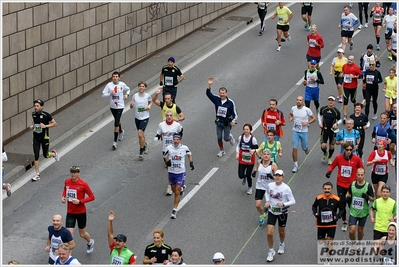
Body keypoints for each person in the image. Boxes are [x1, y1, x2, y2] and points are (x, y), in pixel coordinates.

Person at [326, 142, 364, 232]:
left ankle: (354, 219)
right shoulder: (339, 157)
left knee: (352, 203)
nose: (349, 151)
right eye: (347, 150)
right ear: (344, 149)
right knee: (342, 203)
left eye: (351, 150)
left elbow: (361, 168)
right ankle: (344, 221)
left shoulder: (356, 158)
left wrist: (360, 179)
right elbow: (332, 166)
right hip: (341, 184)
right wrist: (329, 171)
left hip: (352, 185)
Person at [61, 166, 95, 254]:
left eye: (75, 172)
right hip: (70, 212)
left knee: (82, 234)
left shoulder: (83, 184)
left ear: (78, 174)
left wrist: (80, 201)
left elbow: (92, 197)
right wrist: (63, 197)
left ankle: (90, 242)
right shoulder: (67, 182)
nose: (73, 174)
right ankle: (68, 259)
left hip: (81, 212)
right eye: (72, 172)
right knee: (69, 236)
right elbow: (65, 190)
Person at [265, 169, 296, 262]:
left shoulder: (286, 188)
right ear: (274, 177)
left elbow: (293, 201)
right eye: (276, 175)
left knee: (281, 231)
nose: (277, 177)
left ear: (283, 177)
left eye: (279, 176)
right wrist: (267, 201)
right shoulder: (270, 185)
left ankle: (282, 243)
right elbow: (267, 193)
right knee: (269, 232)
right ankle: (270, 251)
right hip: (272, 211)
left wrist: (284, 204)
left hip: (282, 212)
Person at [312, 181, 344, 261]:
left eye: (329, 189)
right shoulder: (319, 198)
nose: (327, 190)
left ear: (332, 189)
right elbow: (314, 206)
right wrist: (315, 213)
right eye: (325, 189)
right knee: (320, 242)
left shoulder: (337, 199)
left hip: (332, 224)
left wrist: (338, 216)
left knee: (329, 241)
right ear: (323, 189)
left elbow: (342, 209)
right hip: (321, 224)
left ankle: (328, 258)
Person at [164, 134, 194, 219]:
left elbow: (189, 154)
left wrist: (191, 162)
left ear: (180, 140)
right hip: (171, 172)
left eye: (177, 139)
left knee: (176, 192)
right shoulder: (169, 148)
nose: (176, 141)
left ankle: (174, 210)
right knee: (174, 189)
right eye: (174, 139)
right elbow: (165, 156)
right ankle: (182, 188)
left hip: (180, 172)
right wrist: (167, 162)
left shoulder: (184, 148)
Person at [206, 77, 237, 157]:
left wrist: (233, 121)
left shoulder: (230, 103)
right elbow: (208, 94)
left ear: (226, 94)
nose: (222, 95)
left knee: (226, 138)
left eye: (223, 93)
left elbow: (234, 113)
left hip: (227, 123)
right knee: (219, 137)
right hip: (219, 122)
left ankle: (230, 137)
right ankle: (222, 150)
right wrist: (209, 85)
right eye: (220, 93)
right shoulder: (216, 99)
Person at [29, 99, 59, 181]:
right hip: (36, 137)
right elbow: (34, 122)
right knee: (36, 155)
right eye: (35, 106)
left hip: (44, 138)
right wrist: (32, 126)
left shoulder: (46, 115)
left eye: (37, 106)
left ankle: (53, 154)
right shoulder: (33, 114)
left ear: (41, 107)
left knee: (46, 155)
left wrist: (45, 126)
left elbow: (54, 123)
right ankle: (37, 174)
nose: (36, 107)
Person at [155, 110, 183, 196]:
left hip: (175, 150)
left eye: (171, 115)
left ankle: (171, 186)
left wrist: (178, 141)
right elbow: (158, 134)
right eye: (167, 115)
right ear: (165, 116)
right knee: (169, 168)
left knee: (175, 167)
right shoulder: (161, 125)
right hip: (165, 150)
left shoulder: (177, 125)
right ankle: (174, 184)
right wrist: (156, 138)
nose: (169, 117)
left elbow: (181, 131)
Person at [346, 168, 375, 248]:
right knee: (352, 230)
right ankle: (353, 244)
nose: (360, 176)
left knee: (360, 230)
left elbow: (373, 199)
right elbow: (348, 194)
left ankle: (359, 242)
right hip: (353, 211)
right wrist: (347, 198)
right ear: (356, 174)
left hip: (363, 212)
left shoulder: (368, 186)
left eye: (362, 175)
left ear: (364, 175)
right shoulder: (352, 184)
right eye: (358, 175)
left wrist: (367, 197)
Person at [101, 71, 130, 150]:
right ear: (112, 78)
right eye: (113, 76)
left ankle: (115, 142)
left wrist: (127, 95)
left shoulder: (122, 84)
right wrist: (110, 94)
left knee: (116, 122)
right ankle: (121, 131)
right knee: (117, 120)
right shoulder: (109, 85)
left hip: (120, 106)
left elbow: (128, 89)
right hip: (112, 106)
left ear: (119, 78)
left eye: (116, 76)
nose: (115, 78)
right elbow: (103, 95)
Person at [289, 96, 316, 173]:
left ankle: (305, 148)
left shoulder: (307, 110)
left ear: (303, 102)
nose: (298, 101)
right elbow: (290, 114)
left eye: (300, 100)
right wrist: (291, 118)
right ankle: (295, 165)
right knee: (295, 148)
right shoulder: (293, 108)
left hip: (304, 131)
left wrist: (307, 123)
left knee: (303, 147)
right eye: (297, 100)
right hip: (295, 131)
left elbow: (314, 118)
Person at [255, 149, 278, 226]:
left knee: (269, 205)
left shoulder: (273, 165)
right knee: (258, 205)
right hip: (259, 186)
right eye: (264, 154)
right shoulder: (259, 162)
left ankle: (271, 217)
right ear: (262, 155)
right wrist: (254, 172)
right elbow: (257, 167)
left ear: (270, 156)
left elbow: (278, 178)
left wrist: (271, 177)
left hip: (269, 188)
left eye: (268, 154)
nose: (266, 155)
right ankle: (263, 214)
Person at [130, 81, 152, 159]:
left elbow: (150, 102)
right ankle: (145, 144)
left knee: (140, 134)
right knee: (141, 134)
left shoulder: (147, 96)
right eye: (140, 86)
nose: (141, 88)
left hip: (145, 117)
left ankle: (141, 150)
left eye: (143, 86)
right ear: (138, 87)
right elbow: (131, 106)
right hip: (137, 117)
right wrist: (131, 105)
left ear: (145, 87)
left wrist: (149, 106)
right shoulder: (135, 96)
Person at [235, 123, 258, 195]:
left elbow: (257, 148)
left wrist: (253, 150)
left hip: (250, 160)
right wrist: (237, 153)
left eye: (247, 129)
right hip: (242, 159)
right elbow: (238, 146)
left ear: (250, 130)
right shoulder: (240, 138)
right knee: (240, 175)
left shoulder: (253, 139)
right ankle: (244, 177)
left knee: (249, 174)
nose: (246, 131)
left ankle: (250, 187)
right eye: (244, 129)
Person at [318, 96, 342, 165]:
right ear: (327, 101)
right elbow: (319, 115)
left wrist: (336, 124)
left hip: (332, 131)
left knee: (331, 146)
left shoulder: (336, 111)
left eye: (332, 100)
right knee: (323, 145)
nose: (331, 102)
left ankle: (329, 157)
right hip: (324, 129)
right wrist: (320, 122)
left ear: (334, 102)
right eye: (329, 100)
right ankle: (325, 152)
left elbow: (340, 119)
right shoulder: (323, 109)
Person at [341, 55, 362, 121]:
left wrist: (355, 77)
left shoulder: (356, 67)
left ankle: (356, 110)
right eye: (348, 59)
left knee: (353, 100)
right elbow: (343, 72)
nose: (349, 61)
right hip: (346, 86)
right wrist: (342, 74)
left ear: (353, 60)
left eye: (351, 60)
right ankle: (345, 116)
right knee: (345, 100)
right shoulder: (344, 66)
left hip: (353, 87)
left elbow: (361, 76)